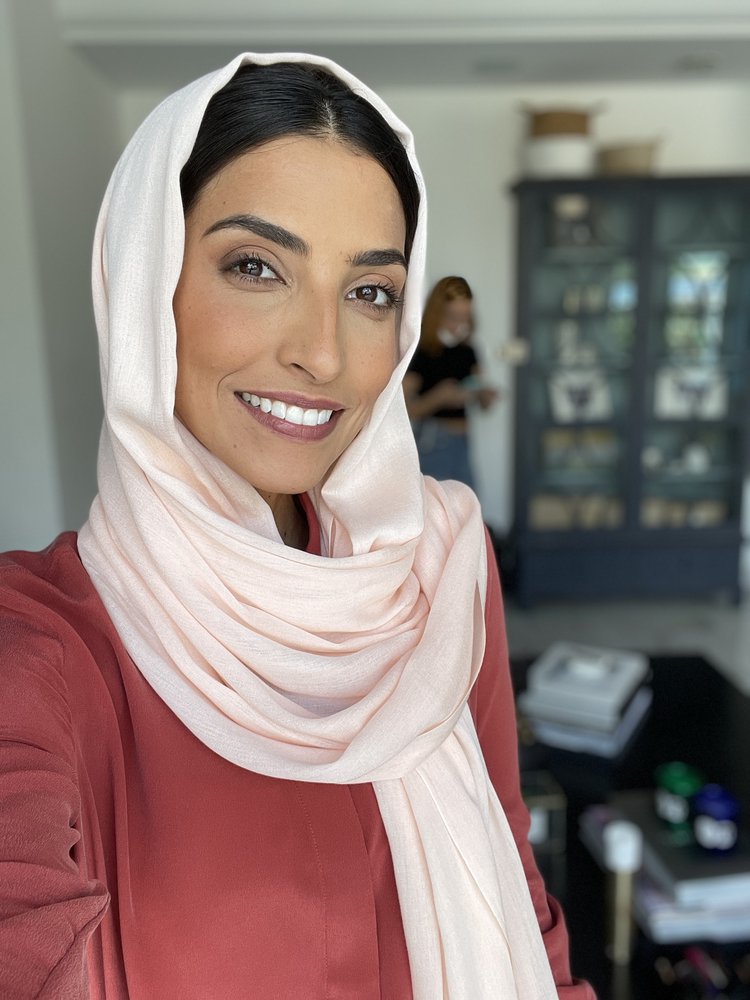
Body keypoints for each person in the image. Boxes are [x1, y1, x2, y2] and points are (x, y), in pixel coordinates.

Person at [0, 53, 594, 999]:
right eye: (256, 267)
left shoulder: (440, 563)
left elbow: (512, 879)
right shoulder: (41, 646)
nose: (323, 353)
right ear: (147, 284)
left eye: (370, 291)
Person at [404, 275, 498, 487]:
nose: (458, 326)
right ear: (437, 314)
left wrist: (484, 396)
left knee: (467, 503)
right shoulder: (422, 353)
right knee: (435, 505)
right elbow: (403, 410)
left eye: (465, 318)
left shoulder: (468, 352)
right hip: (433, 441)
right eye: (453, 317)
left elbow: (481, 397)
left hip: (463, 442)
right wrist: (439, 397)